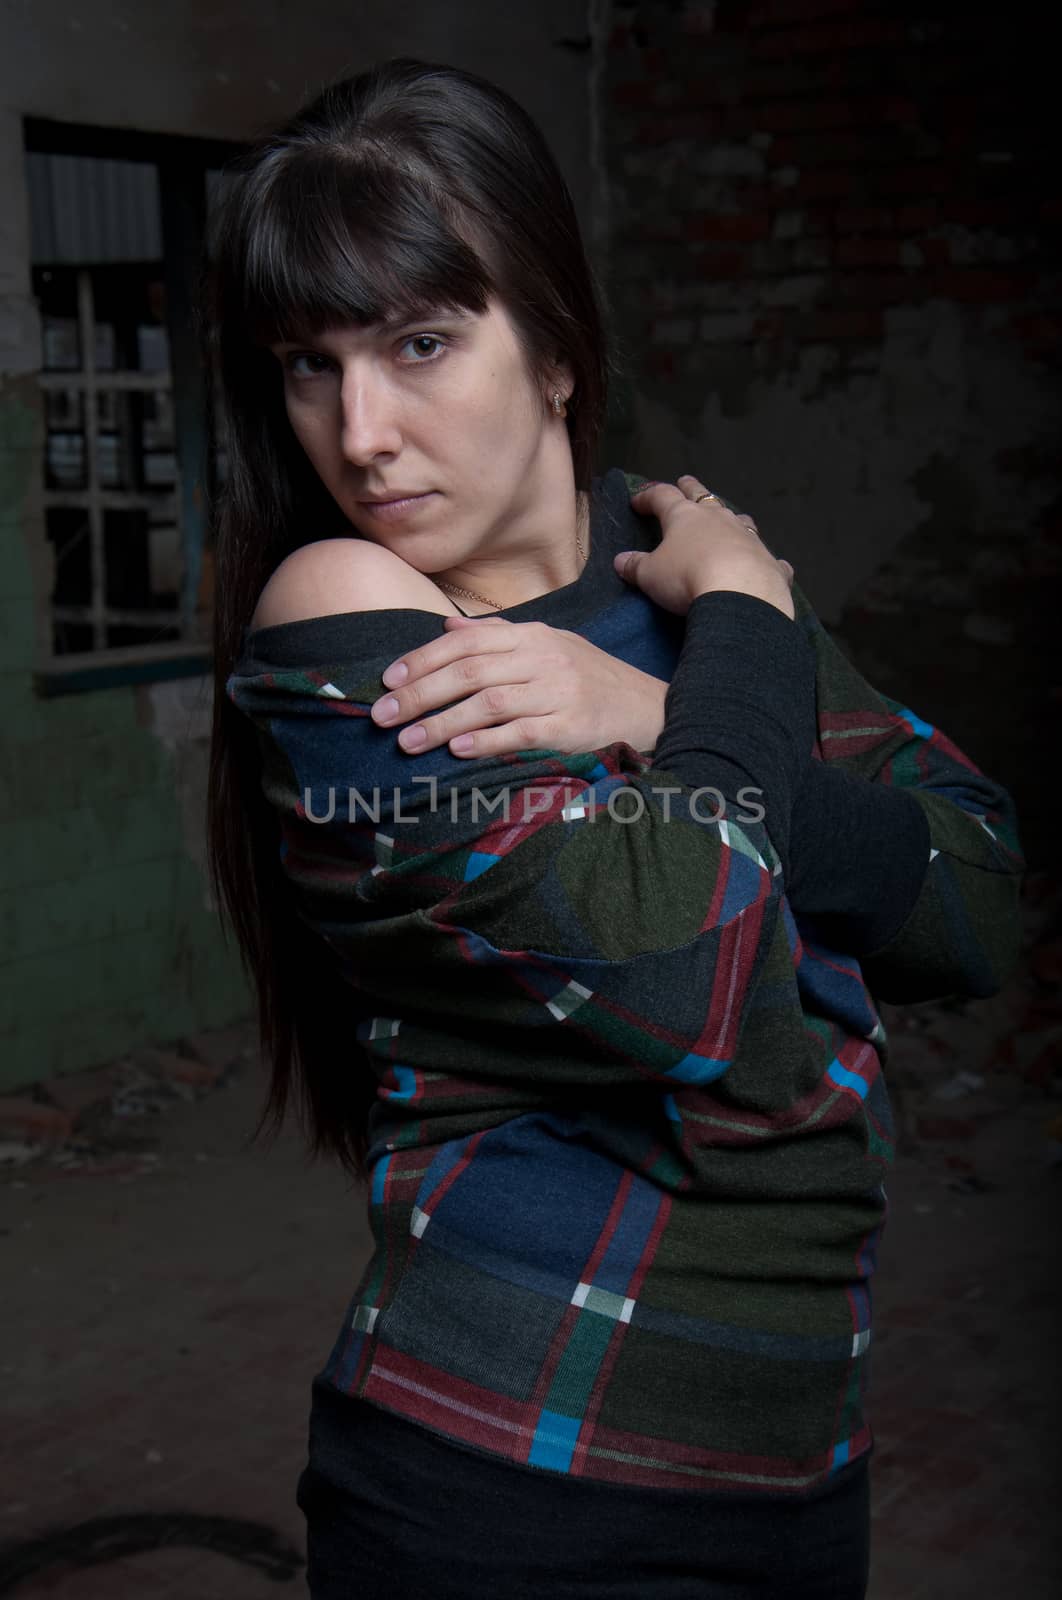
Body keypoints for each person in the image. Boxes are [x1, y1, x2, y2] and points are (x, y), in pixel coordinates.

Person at [203, 57, 1024, 1600]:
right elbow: (684, 969)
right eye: (308, 364)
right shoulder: (358, 620)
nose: (360, 430)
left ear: (558, 349)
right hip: (519, 1474)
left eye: (421, 342)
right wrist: (743, 611)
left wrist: (651, 704)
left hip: (797, 1461)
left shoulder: (671, 583)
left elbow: (976, 904)